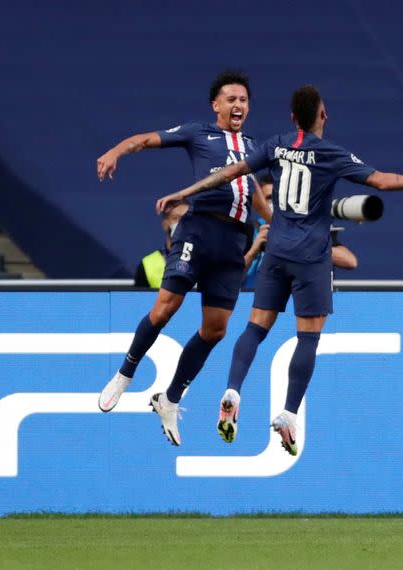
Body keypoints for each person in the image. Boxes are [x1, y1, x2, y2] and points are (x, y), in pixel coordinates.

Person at [156, 85, 403, 454]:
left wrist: (186, 192)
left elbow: (230, 172)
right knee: (308, 337)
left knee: (255, 328)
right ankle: (287, 413)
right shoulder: (331, 153)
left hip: (276, 252)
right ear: (323, 116)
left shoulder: (275, 145)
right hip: (311, 257)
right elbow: (383, 181)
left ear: (291, 118)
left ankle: (233, 389)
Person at [96, 71, 271, 447]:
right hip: (198, 229)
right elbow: (145, 139)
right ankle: (125, 374)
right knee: (164, 308)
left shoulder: (256, 147)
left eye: (243, 99)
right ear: (216, 105)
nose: (238, 105)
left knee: (215, 330)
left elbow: (253, 192)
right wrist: (116, 151)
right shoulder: (199, 133)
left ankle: (170, 398)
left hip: (234, 240)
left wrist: (277, 223)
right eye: (231, 99)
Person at [242, 176, 356, 290]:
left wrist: (302, 244)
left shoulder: (307, 227)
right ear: (259, 201)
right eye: (270, 198)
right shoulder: (249, 230)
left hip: (298, 300)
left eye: (279, 196)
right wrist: (253, 251)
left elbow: (350, 261)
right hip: (251, 301)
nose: (275, 202)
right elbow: (232, 277)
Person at [134, 201, 188, 288]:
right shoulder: (148, 264)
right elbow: (139, 300)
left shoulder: (206, 261)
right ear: (165, 224)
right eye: (176, 218)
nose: (182, 223)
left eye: (186, 218)